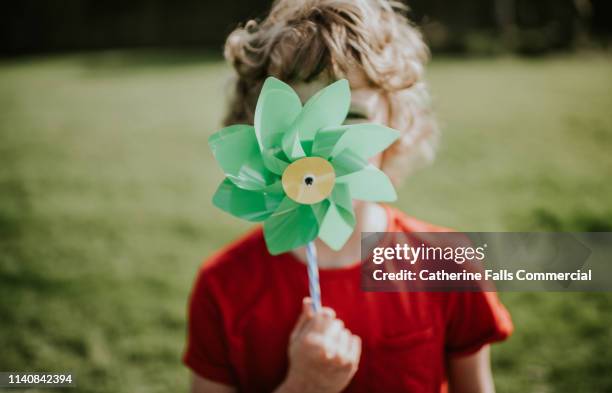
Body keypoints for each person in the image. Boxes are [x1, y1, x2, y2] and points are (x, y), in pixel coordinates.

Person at [184, 1, 513, 392]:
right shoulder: (222, 288)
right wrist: (304, 385)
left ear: (398, 124)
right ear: (254, 126)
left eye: (352, 115)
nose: (314, 149)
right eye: (293, 115)